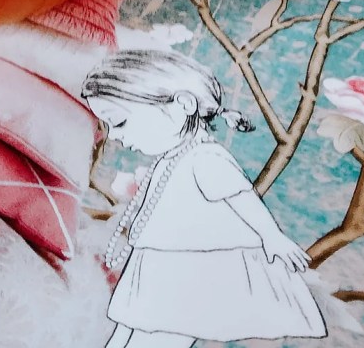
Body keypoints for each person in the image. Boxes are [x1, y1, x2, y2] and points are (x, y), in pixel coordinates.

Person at [81, 50, 326, 347]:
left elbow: (242, 198)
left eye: (118, 122)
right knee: (130, 329)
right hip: (161, 262)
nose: (114, 136)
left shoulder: (206, 157)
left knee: (160, 333)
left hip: (191, 266)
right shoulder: (171, 157)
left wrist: (272, 237)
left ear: (183, 104)